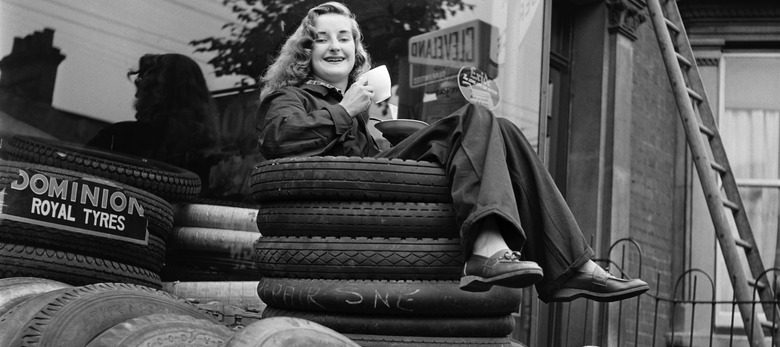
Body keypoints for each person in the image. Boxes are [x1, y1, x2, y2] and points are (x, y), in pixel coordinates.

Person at [255, 1, 649, 302]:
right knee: (475, 118)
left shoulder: (356, 105)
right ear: (306, 52)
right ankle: (487, 250)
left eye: (344, 38)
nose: (335, 46)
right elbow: (279, 139)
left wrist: (388, 129)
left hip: (378, 182)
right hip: (346, 204)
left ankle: (572, 266)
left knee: (501, 129)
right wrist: (346, 111)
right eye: (322, 38)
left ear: (356, 51)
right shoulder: (291, 97)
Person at [87, 53, 219, 174]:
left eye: (144, 87)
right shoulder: (212, 161)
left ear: (153, 95)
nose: (137, 95)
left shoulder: (120, 137)